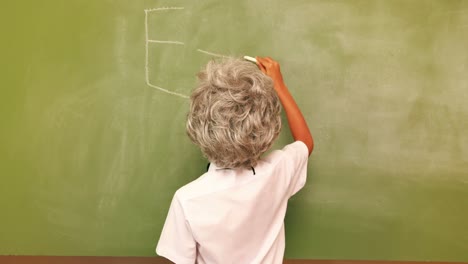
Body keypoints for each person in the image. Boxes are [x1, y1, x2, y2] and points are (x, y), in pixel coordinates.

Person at [156, 56, 313, 264]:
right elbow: (305, 142)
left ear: (198, 125)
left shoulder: (187, 200)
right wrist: (279, 86)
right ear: (267, 126)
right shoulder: (278, 171)